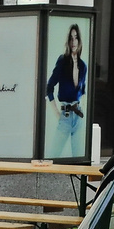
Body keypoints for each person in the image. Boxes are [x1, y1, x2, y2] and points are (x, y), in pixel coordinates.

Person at [44, 24, 88, 158]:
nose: (73, 42)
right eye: (71, 38)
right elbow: (49, 87)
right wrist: (57, 113)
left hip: (78, 114)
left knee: (78, 156)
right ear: (67, 41)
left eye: (76, 38)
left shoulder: (83, 65)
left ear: (79, 41)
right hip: (66, 114)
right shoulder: (62, 61)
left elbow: (83, 91)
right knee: (54, 155)